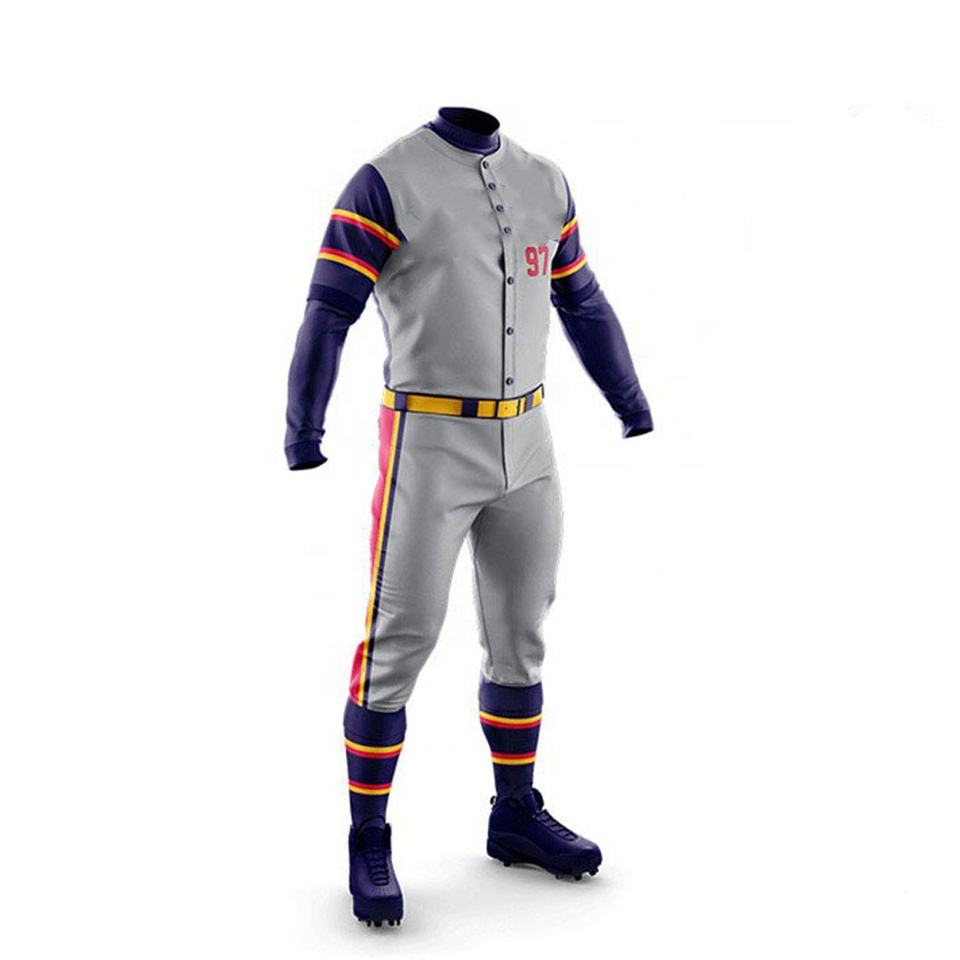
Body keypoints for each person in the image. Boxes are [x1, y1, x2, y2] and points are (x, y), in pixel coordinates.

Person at [285, 107, 653, 926]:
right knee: (400, 639)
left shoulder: (544, 180)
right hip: (429, 439)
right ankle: (369, 836)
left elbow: (582, 299)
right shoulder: (386, 181)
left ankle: (514, 813)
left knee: (521, 634)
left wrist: (630, 401)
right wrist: (302, 429)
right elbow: (330, 309)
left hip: (530, 439)